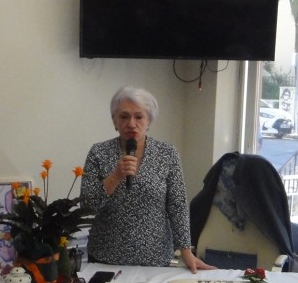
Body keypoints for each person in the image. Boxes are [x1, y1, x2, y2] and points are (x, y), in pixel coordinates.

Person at [82, 85, 213, 272]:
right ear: (114, 120)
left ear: (149, 120)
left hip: (155, 260)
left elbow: (177, 205)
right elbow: (87, 206)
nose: (131, 124)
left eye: (139, 117)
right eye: (124, 117)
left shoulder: (167, 154)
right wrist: (115, 177)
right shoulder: (98, 153)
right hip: (105, 258)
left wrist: (186, 251)